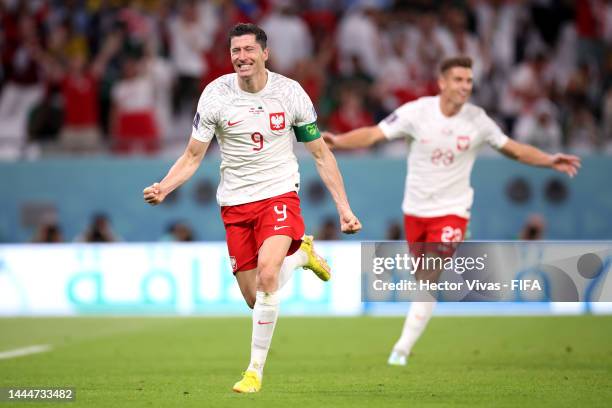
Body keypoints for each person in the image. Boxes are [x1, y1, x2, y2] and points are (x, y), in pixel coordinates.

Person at [143, 23, 361, 393]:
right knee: (253, 296)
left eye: (248, 50)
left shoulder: (290, 94)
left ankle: (254, 372)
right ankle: (302, 256)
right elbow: (193, 155)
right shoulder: (215, 95)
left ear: (265, 53)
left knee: (267, 275)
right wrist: (165, 186)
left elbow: (321, 154)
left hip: (279, 194)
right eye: (235, 51)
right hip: (235, 203)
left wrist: (344, 208)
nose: (241, 57)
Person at [324, 56, 580, 367]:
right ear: (442, 82)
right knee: (422, 278)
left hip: (453, 210)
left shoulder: (477, 120)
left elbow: (512, 148)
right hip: (416, 210)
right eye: (458, 80)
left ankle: (401, 349)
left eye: (469, 81)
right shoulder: (417, 112)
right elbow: (375, 134)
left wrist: (549, 159)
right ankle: (405, 343)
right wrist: (339, 140)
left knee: (431, 271)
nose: (465, 86)